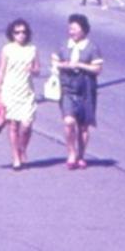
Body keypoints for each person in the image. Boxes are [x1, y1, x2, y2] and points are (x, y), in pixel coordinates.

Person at [52, 14, 104, 171]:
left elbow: (97, 69)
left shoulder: (92, 48)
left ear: (84, 30)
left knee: (83, 127)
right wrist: (64, 65)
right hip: (67, 89)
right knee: (68, 122)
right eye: (70, 28)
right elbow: (55, 62)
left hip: (86, 90)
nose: (71, 31)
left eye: (75, 28)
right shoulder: (63, 45)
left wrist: (80, 65)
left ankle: (81, 156)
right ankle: (71, 153)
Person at [0, 18, 40, 171]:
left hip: (26, 92)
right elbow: (1, 71)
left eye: (24, 32)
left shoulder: (32, 49)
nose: (21, 35)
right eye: (17, 32)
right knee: (13, 125)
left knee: (26, 125)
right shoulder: (7, 49)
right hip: (10, 90)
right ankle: (16, 157)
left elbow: (38, 70)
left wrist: (32, 70)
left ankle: (22, 149)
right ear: (12, 34)